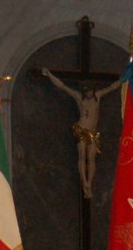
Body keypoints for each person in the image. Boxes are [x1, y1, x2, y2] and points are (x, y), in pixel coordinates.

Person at [41, 67, 123, 199]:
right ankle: (84, 181)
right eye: (86, 91)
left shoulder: (98, 96)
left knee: (91, 158)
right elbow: (62, 86)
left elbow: (113, 87)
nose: (89, 93)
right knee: (82, 156)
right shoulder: (79, 97)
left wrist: (125, 78)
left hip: (93, 131)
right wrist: (49, 75)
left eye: (90, 90)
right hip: (81, 128)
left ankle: (89, 183)